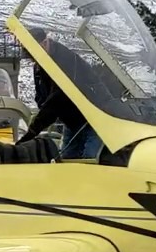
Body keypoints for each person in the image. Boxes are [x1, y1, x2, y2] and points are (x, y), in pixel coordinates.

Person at [18, 27, 104, 159]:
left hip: (93, 120)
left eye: (33, 53)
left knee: (90, 158)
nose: (33, 59)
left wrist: (32, 132)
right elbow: (42, 97)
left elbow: (55, 101)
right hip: (71, 121)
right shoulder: (39, 66)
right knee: (66, 158)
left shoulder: (65, 61)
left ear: (45, 43)